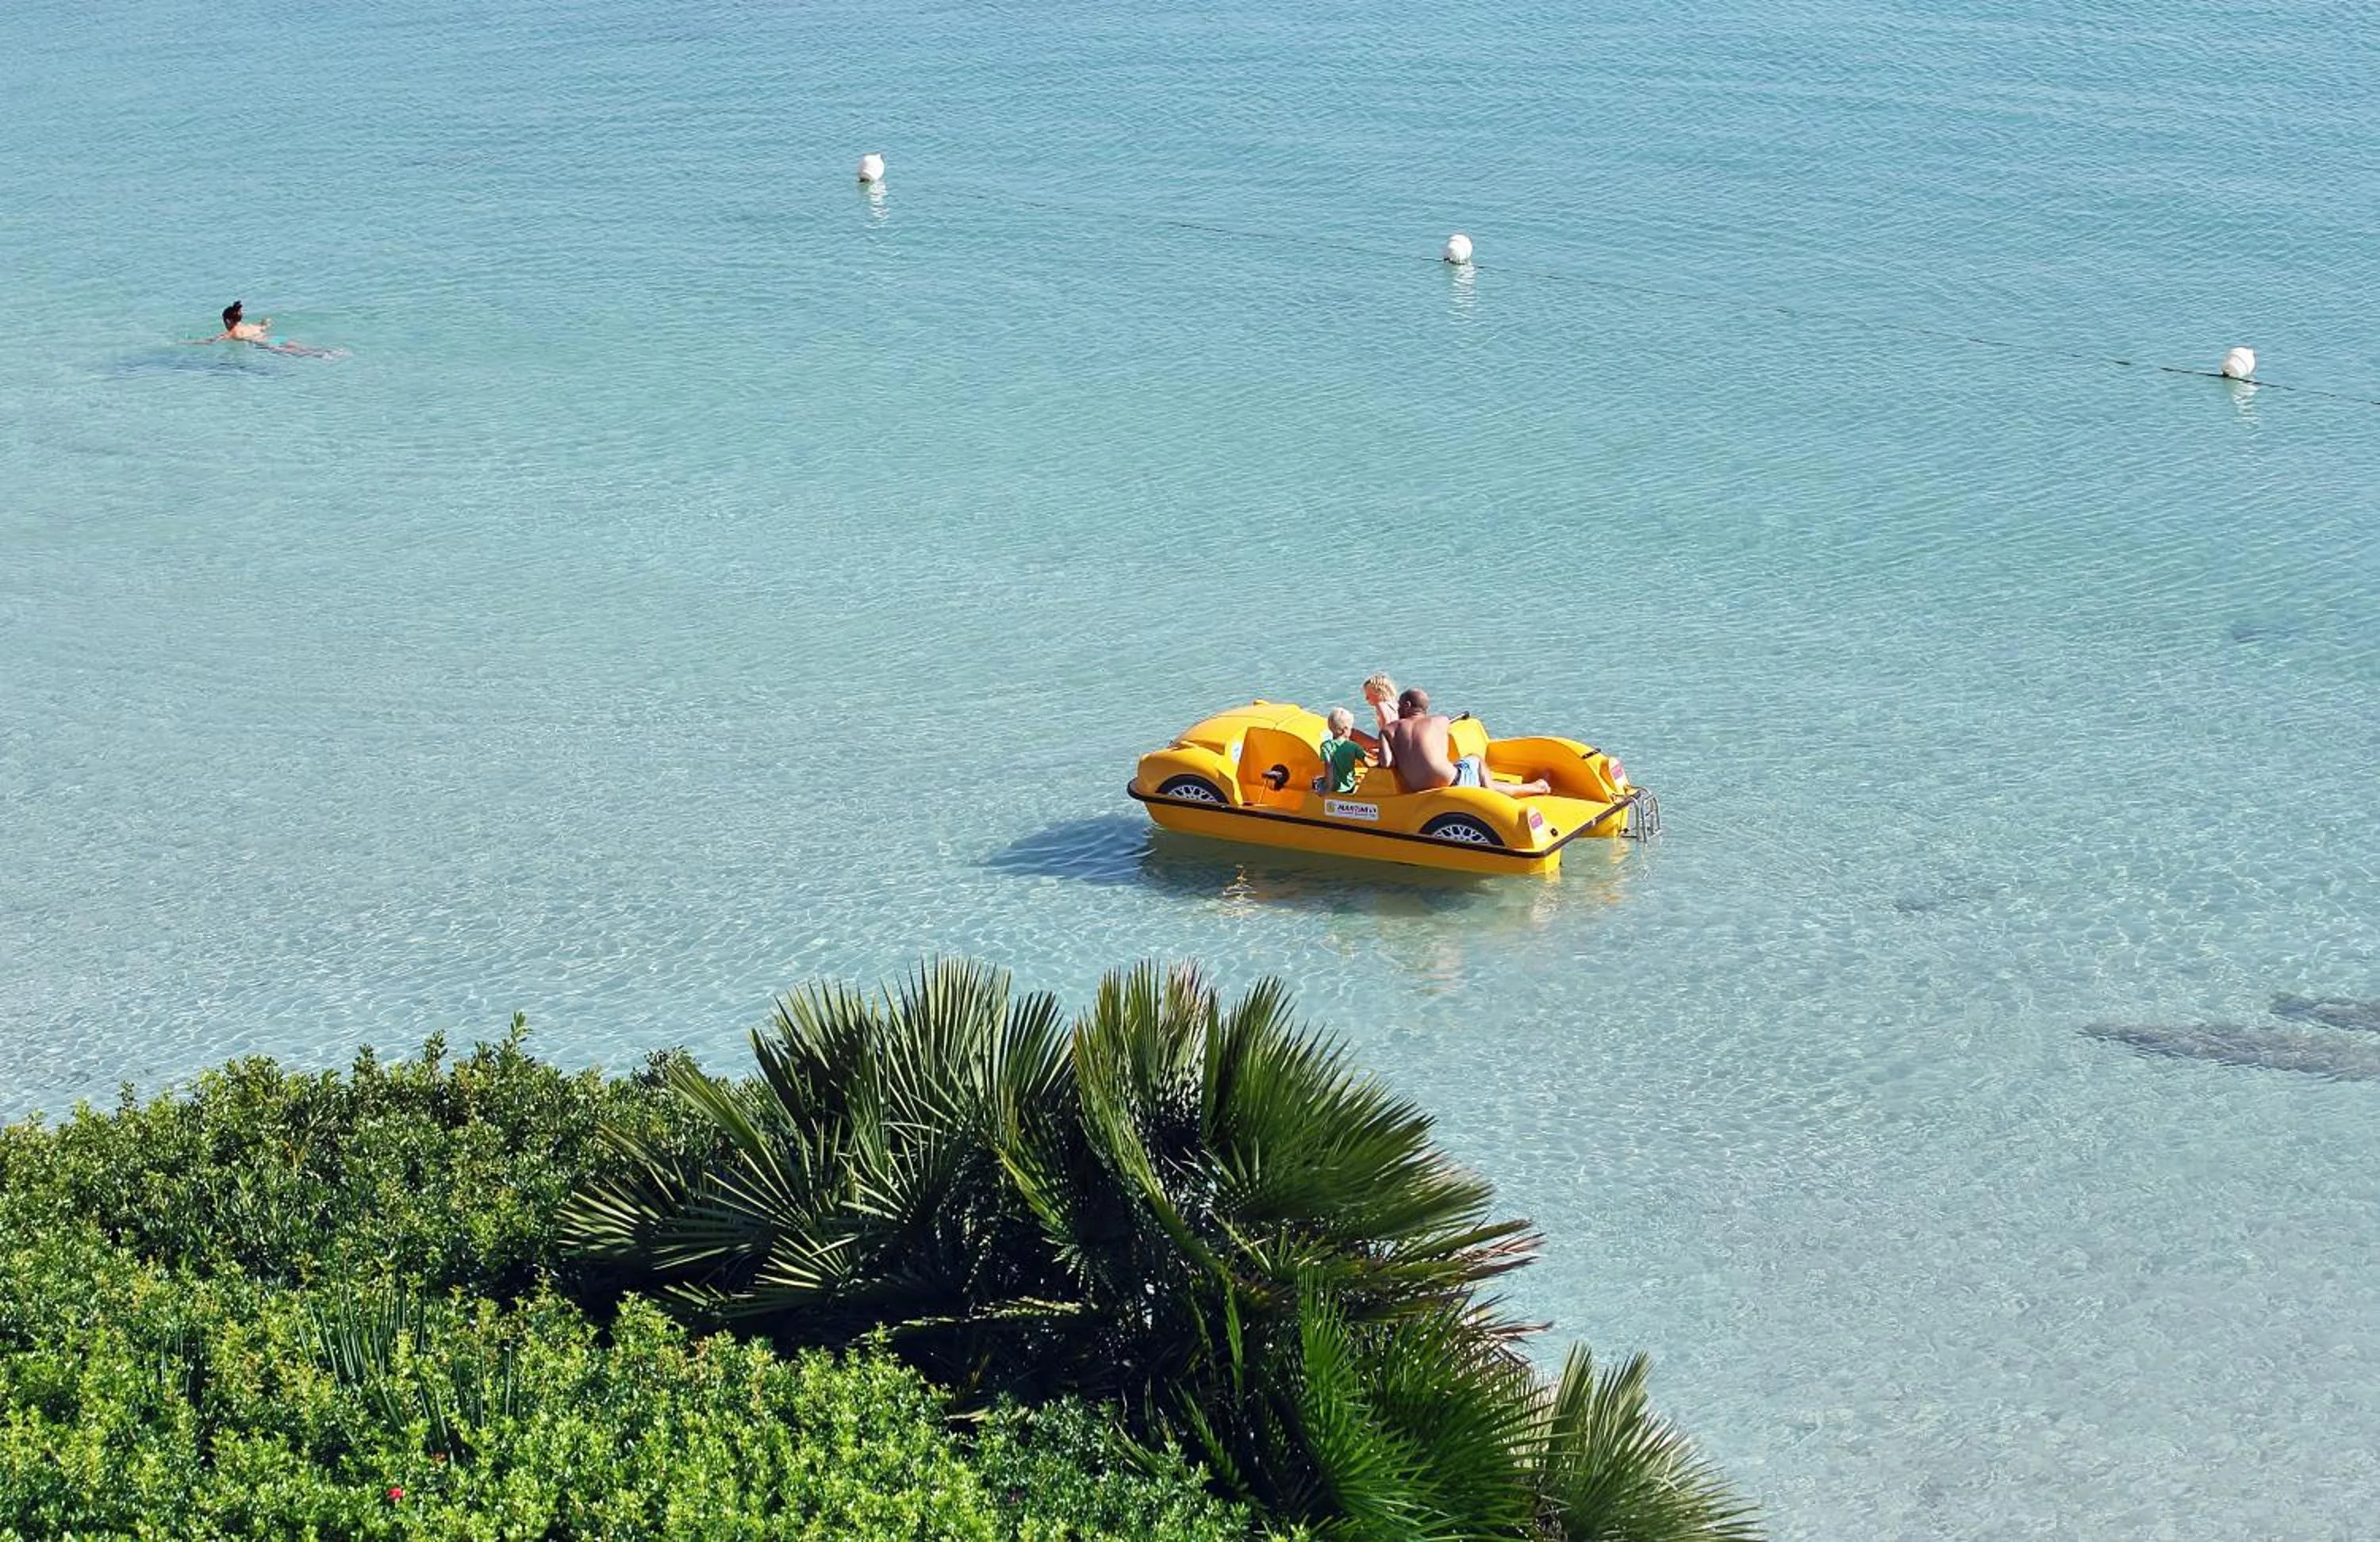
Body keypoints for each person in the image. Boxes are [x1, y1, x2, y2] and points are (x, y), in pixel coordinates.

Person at [1376, 685, 1551, 797]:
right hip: (1452, 782)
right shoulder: (1441, 721)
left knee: (1473, 772)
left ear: (1406, 706)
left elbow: (1387, 763)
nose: (1398, 709)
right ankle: (1533, 788)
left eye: (1399, 705)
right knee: (1475, 759)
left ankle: (1497, 792)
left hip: (1419, 790)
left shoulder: (1388, 730)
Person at [1314, 707, 1375, 794]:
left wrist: (1328, 787)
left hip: (1334, 787)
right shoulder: (1354, 746)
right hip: (1349, 787)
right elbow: (1368, 763)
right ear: (1345, 729)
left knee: (1316, 780)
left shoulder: (1326, 746)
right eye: (1351, 728)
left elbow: (1329, 767)